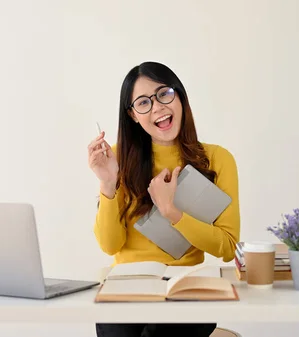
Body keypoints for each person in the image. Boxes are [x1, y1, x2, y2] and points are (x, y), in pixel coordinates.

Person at [87, 61, 241, 337]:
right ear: (133, 115)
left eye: (164, 94)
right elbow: (110, 246)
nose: (157, 107)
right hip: (128, 284)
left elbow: (228, 248)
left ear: (180, 97)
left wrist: (172, 212)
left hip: (186, 286)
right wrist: (107, 182)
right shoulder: (117, 157)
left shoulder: (218, 159)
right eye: (143, 102)